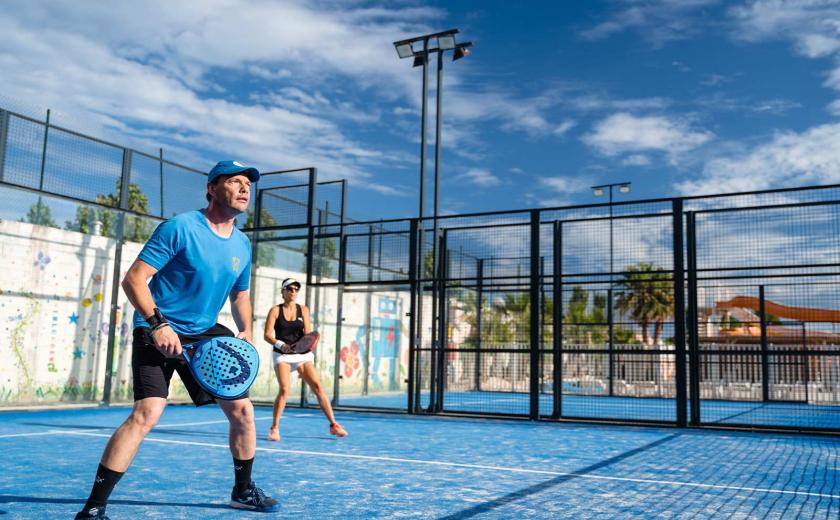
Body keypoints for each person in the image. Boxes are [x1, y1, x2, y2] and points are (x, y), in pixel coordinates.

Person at [74, 161, 278, 519]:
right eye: (235, 181)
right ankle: (93, 508)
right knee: (147, 412)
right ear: (212, 189)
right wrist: (158, 324)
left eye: (248, 184)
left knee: (243, 411)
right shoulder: (180, 228)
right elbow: (134, 280)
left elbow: (240, 294)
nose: (245, 189)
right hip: (158, 325)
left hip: (204, 332)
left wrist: (245, 329)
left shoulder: (243, 244)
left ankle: (243, 491)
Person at [264, 278, 348, 441]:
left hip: (301, 355)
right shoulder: (275, 310)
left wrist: (306, 344)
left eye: (296, 289)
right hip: (282, 355)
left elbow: (308, 334)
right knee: (285, 389)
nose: (293, 291)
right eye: (290, 289)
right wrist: (282, 345)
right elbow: (267, 335)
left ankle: (333, 425)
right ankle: (274, 428)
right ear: (283, 291)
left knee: (317, 387)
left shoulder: (303, 310)